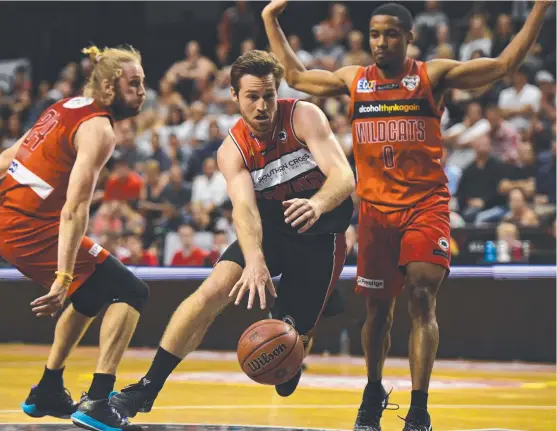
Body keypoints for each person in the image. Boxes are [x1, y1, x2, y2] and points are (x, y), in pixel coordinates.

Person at [261, 1, 552, 430]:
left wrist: (542, 7)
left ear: (409, 37)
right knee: (377, 313)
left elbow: (506, 63)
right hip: (376, 213)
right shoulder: (354, 79)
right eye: (375, 34)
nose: (381, 42)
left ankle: (419, 406)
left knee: (420, 294)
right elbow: (298, 77)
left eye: (391, 34)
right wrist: (270, 19)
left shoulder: (433, 75)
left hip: (425, 205)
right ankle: (373, 389)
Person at [108, 49, 355, 417]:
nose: (261, 106)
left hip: (321, 236)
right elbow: (244, 209)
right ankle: (147, 388)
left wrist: (317, 204)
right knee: (212, 290)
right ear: (234, 96)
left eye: (268, 96)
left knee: (286, 360)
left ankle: (308, 313)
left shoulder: (303, 116)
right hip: (271, 229)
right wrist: (255, 261)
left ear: (277, 94)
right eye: (252, 97)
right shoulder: (232, 150)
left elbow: (344, 177)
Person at [0, 45, 150, 431]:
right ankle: (99, 400)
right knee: (131, 291)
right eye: (134, 84)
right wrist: (63, 276)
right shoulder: (99, 129)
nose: (142, 91)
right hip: (29, 227)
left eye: (143, 83)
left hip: (15, 218)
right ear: (107, 85)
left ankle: (48, 389)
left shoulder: (66, 106)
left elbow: (11, 155)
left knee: (94, 291)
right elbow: (75, 208)